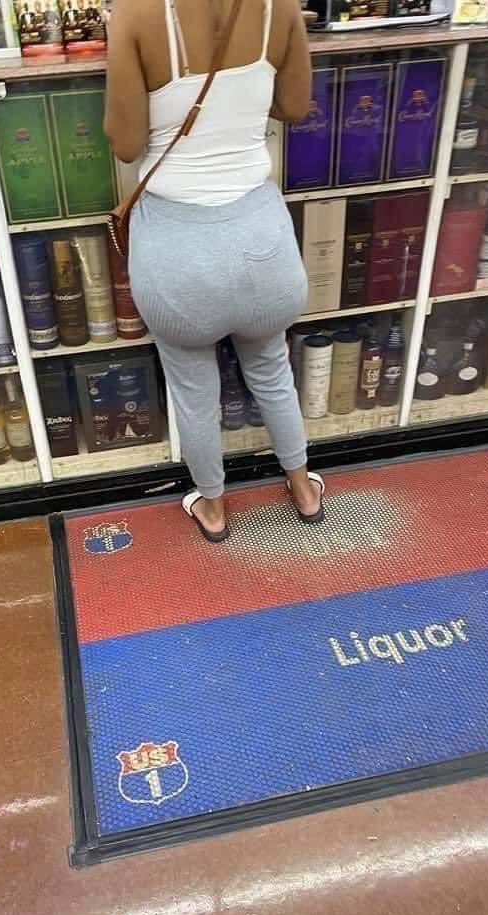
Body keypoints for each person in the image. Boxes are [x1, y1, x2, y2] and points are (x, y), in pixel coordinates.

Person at [104, 0, 325, 542]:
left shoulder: (135, 13)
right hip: (263, 245)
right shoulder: (280, 7)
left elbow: (127, 145)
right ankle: (303, 488)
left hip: (177, 255)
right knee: (271, 369)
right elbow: (295, 106)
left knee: (193, 391)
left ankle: (214, 506)